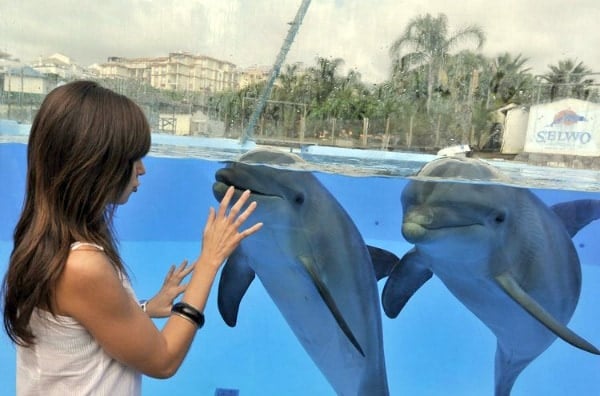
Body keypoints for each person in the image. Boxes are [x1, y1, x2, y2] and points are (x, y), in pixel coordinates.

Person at [1, 80, 263, 395]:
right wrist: (210, 260)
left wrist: (143, 309)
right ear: (96, 164)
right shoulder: (82, 266)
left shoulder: (45, 243)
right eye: (132, 158)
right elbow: (163, 360)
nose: (142, 170)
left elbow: (79, 326)